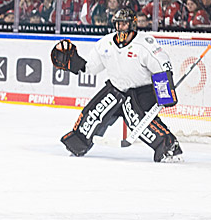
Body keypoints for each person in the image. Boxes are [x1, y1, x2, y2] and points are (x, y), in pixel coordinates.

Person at [51, 9, 183, 163]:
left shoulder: (144, 43)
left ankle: (168, 146)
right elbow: (92, 67)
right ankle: (78, 143)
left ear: (132, 24)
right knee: (94, 112)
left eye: (124, 23)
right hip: (116, 88)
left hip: (142, 91)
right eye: (118, 23)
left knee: (137, 121)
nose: (121, 27)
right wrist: (75, 63)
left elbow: (162, 64)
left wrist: (165, 91)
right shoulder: (105, 43)